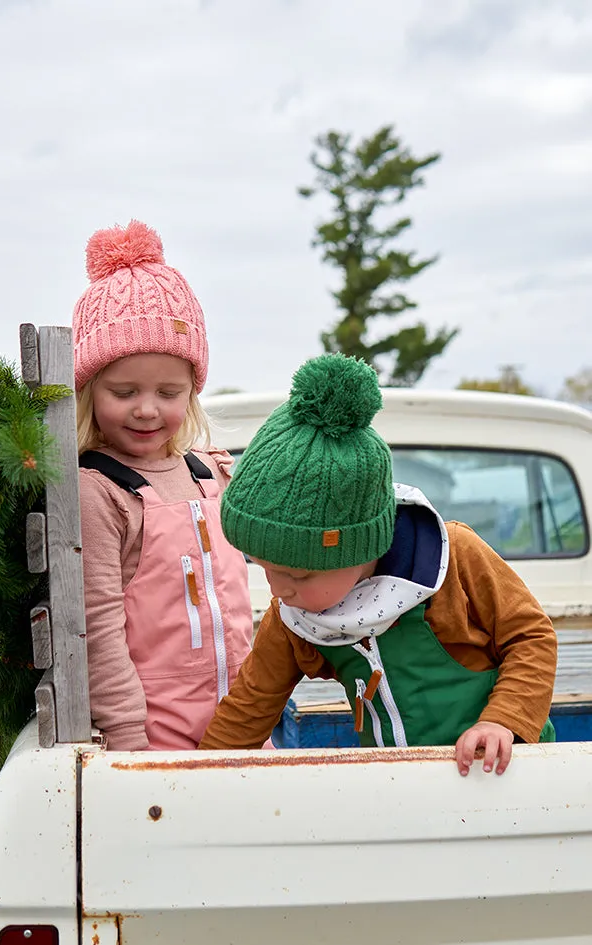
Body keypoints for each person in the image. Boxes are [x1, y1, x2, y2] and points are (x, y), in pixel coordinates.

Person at [199, 353, 557, 775]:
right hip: (394, 789)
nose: (278, 590)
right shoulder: (294, 619)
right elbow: (249, 707)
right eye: (264, 569)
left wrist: (503, 720)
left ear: (358, 551)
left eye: (298, 574)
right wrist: (196, 777)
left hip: (504, 776)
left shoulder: (455, 557)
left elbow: (531, 637)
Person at [73, 219, 253, 750]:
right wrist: (129, 739)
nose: (147, 409)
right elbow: (99, 626)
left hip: (244, 718)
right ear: (89, 390)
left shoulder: (213, 474)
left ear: (192, 392)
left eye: (169, 392)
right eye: (124, 390)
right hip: (155, 732)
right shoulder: (99, 491)